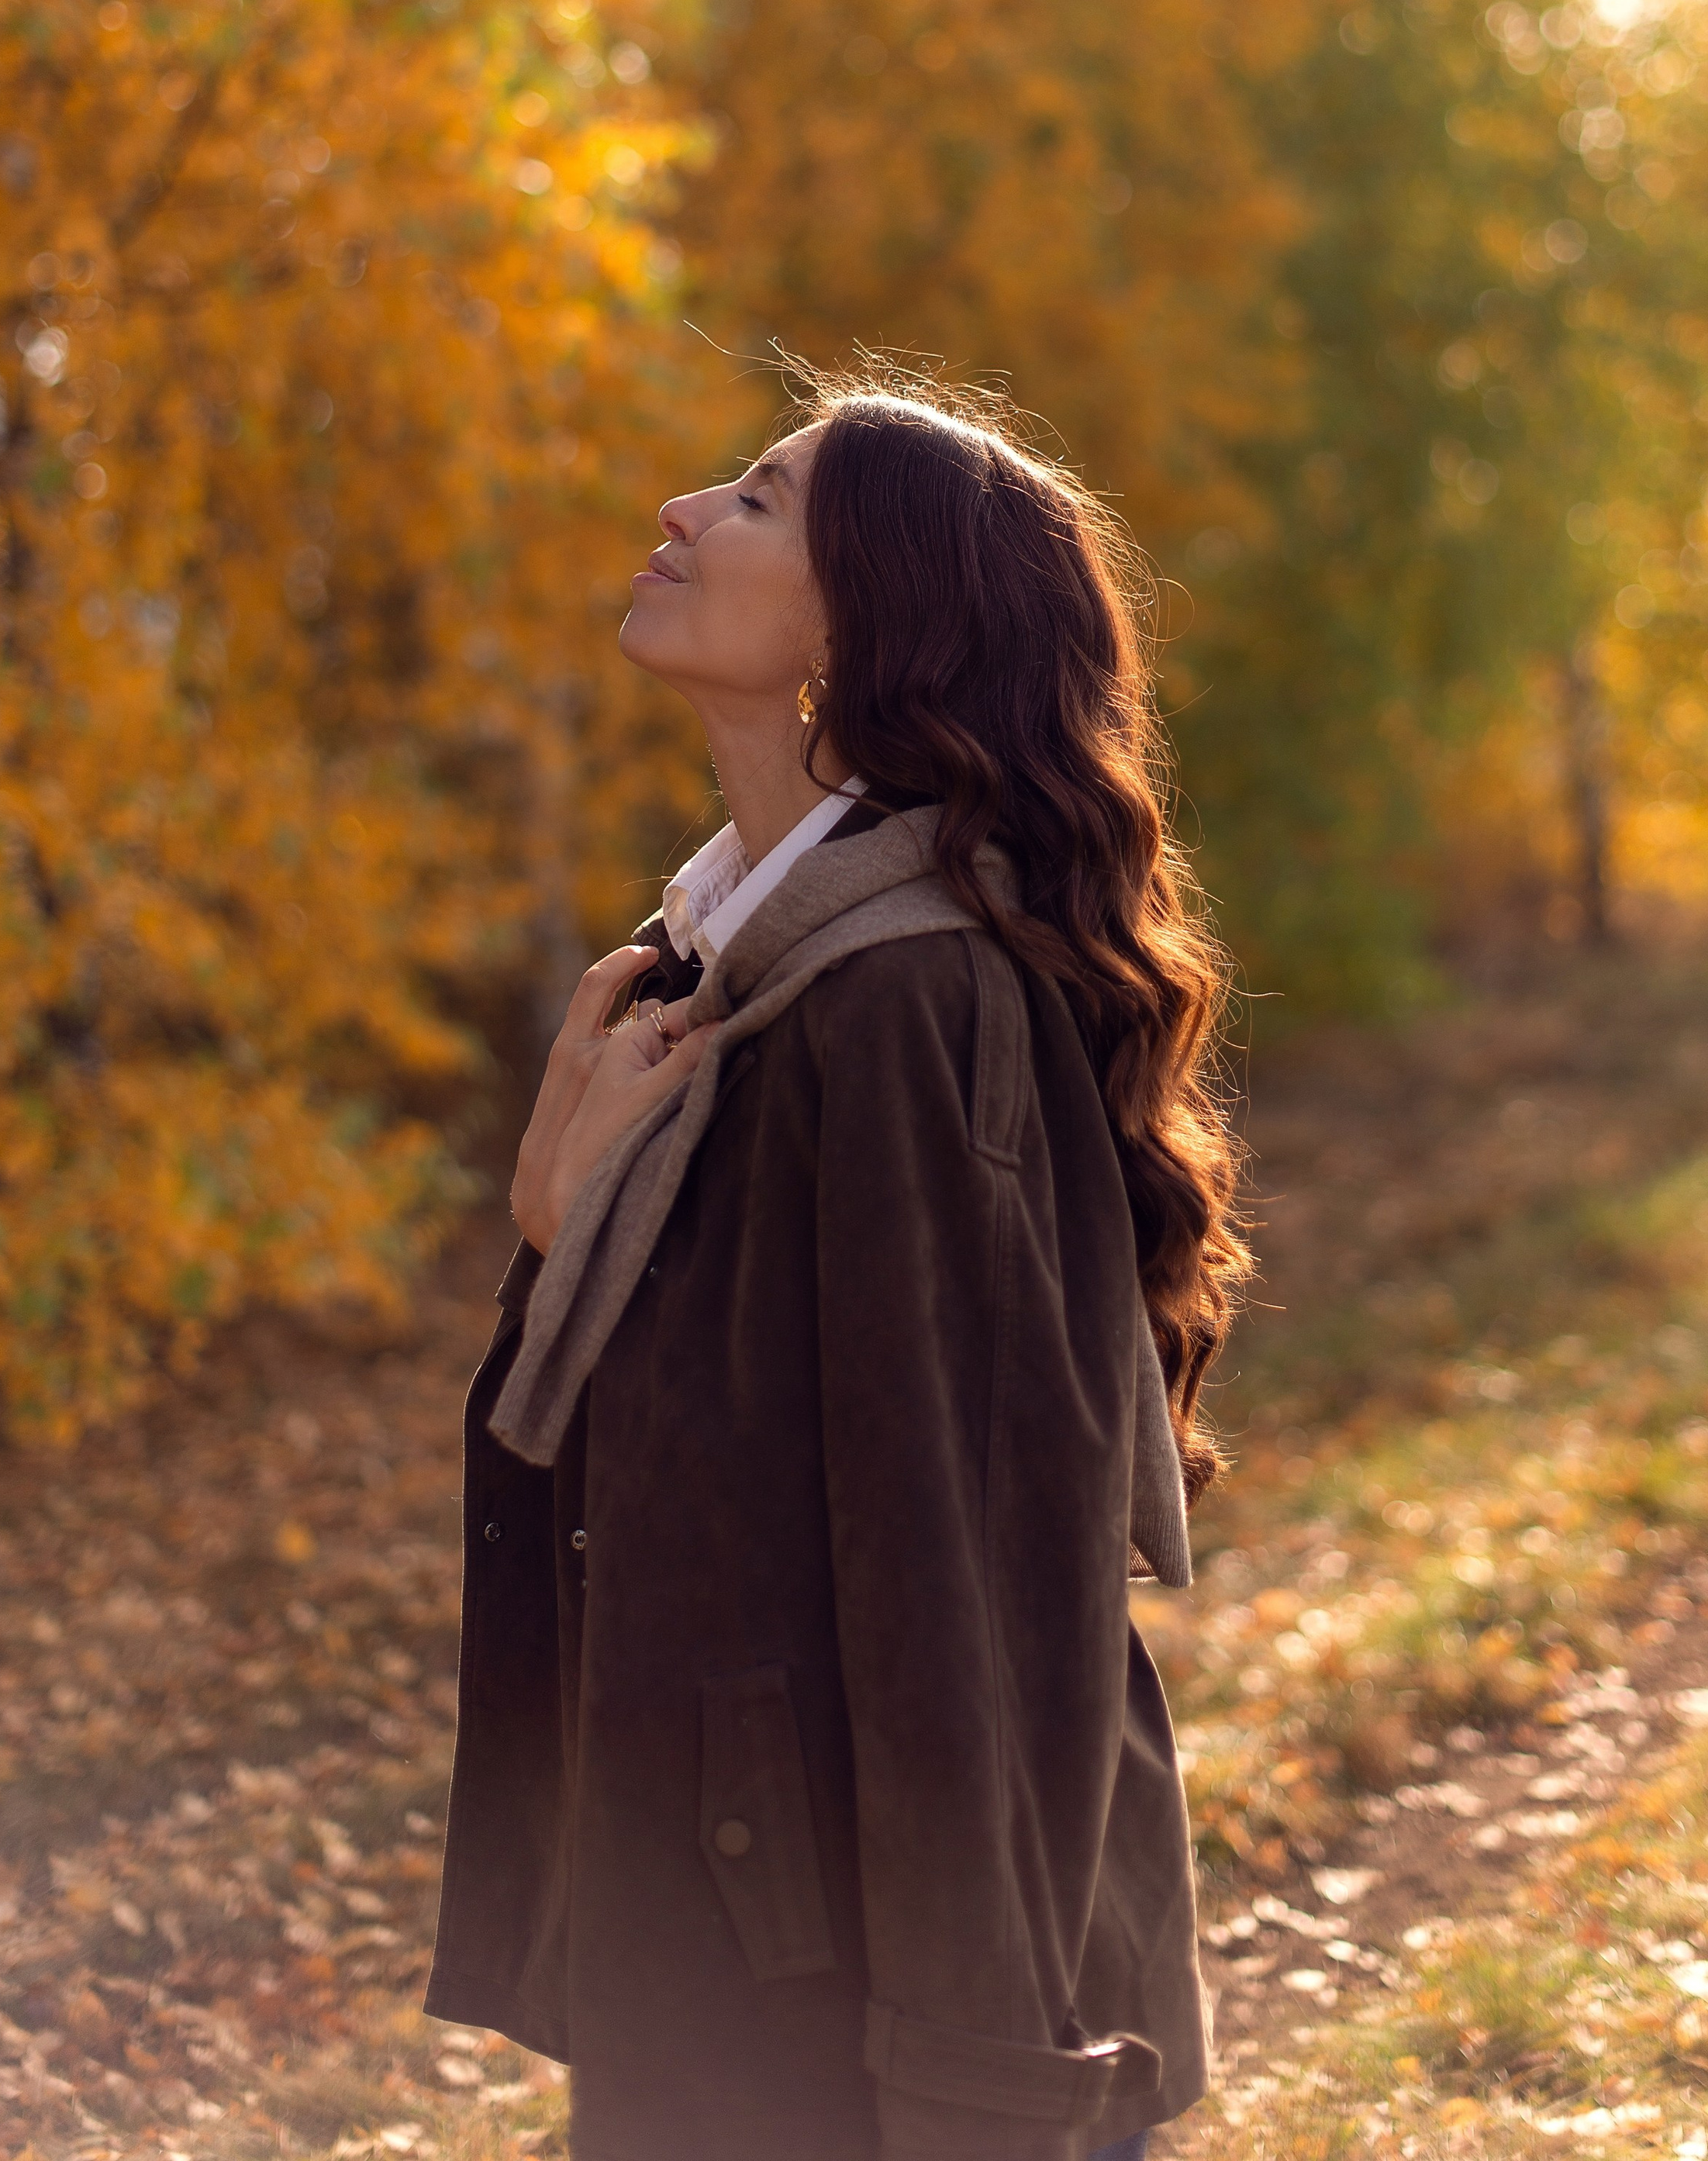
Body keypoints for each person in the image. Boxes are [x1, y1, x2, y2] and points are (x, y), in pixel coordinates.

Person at [426, 375, 1248, 2161]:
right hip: (732, 1939)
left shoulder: (907, 1000)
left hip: (870, 2000)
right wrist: (556, 1215)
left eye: (757, 498)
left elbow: (969, 1569)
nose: (680, 507)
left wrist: (971, 2076)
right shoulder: (715, 977)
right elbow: (648, 1457)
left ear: (866, 626)